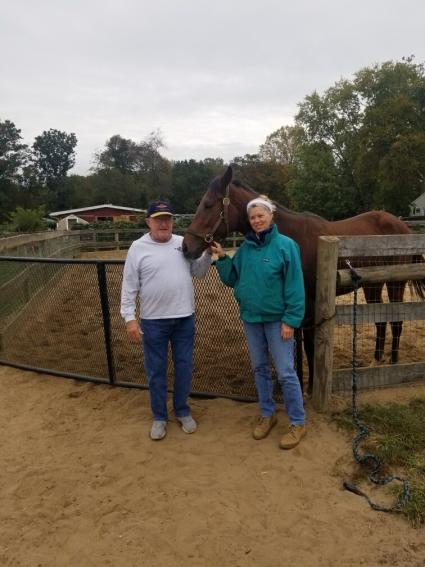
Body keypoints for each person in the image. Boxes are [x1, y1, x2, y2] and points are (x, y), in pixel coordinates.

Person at [211, 196, 306, 450]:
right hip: (252, 319)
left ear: (271, 215)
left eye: (261, 215)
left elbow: (295, 286)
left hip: (278, 322)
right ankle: (268, 414)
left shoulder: (286, 246)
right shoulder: (246, 249)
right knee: (260, 368)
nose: (257, 220)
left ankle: (297, 421)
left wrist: (291, 320)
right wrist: (222, 258)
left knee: (286, 372)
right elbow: (233, 278)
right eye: (253, 217)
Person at [120, 200, 212, 441]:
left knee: (184, 368)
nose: (164, 223)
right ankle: (159, 416)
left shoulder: (183, 244)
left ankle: (182, 411)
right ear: (148, 221)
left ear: (173, 221)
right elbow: (129, 287)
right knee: (156, 371)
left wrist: (209, 254)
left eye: (168, 218)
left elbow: (199, 273)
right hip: (153, 322)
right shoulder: (137, 248)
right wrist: (130, 319)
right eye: (159, 219)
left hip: (184, 320)